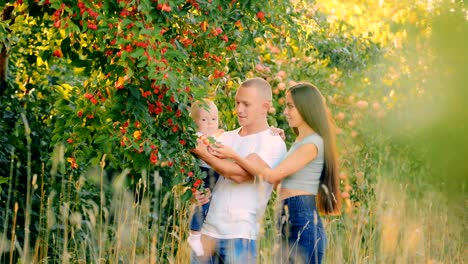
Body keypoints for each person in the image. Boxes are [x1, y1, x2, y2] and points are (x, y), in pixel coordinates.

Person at [212, 82, 341, 263]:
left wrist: (234, 155)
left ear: (306, 107)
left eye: (290, 106)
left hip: (302, 217)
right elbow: (278, 183)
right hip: (287, 217)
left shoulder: (312, 143)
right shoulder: (299, 142)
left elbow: (271, 176)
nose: (285, 112)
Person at [190, 77, 287, 263]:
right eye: (237, 102)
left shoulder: (273, 141)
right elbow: (202, 173)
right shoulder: (224, 137)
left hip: (239, 236)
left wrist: (202, 152)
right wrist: (194, 192)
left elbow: (239, 174)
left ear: (264, 107)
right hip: (206, 233)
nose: (239, 109)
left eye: (246, 104)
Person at [188, 99, 224, 256]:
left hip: (210, 171)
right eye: (204, 119)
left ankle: (196, 233)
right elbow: (205, 146)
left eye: (214, 119)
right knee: (203, 202)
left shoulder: (212, 135)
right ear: (194, 122)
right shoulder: (197, 137)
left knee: (205, 202)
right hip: (203, 172)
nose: (210, 123)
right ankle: (194, 234)